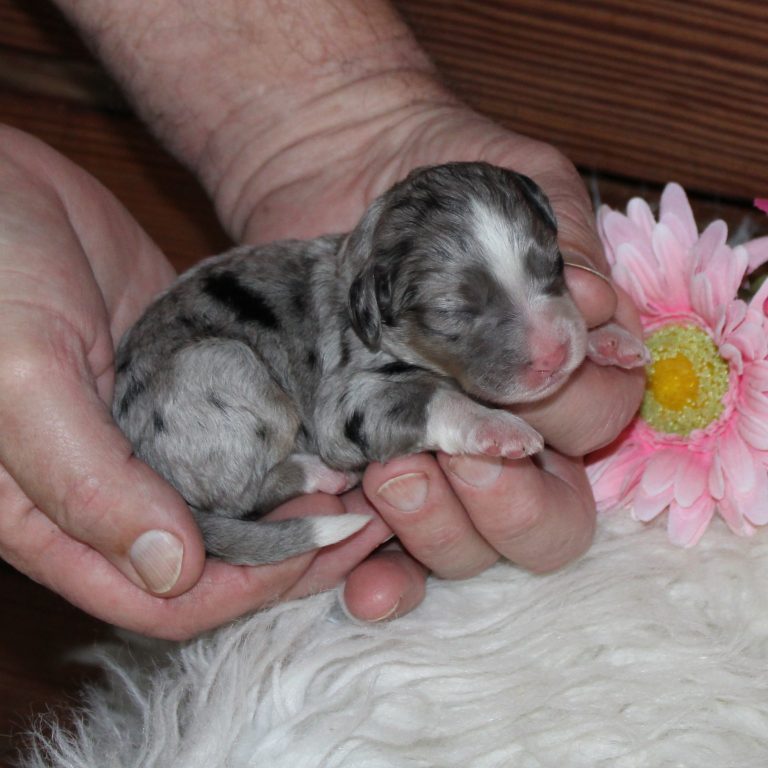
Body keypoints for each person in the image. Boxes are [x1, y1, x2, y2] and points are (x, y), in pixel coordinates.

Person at [0, 0, 644, 640]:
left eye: (548, 271)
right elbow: (344, 425)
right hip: (191, 403)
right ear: (377, 306)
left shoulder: (398, 292)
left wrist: (594, 334)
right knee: (243, 381)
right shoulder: (360, 308)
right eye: (458, 309)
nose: (545, 340)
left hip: (215, 390)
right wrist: (459, 420)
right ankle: (264, 486)